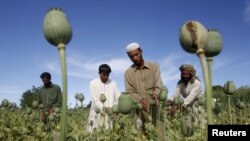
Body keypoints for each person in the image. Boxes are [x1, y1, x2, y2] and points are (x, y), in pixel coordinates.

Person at [124, 42, 163, 127]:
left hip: (155, 109)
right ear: (129, 57)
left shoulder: (154, 66)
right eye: (131, 56)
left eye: (136, 54)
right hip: (138, 112)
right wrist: (140, 99)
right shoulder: (128, 73)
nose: (134, 58)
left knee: (157, 134)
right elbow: (129, 91)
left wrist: (156, 94)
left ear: (141, 52)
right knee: (140, 136)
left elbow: (158, 84)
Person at [86, 64, 121, 133]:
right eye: (104, 75)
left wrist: (119, 107)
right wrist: (104, 108)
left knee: (108, 134)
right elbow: (95, 100)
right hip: (96, 114)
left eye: (107, 75)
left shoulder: (113, 84)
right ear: (99, 73)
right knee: (94, 134)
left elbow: (118, 96)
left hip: (109, 115)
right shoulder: (93, 83)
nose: (106, 77)